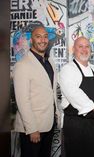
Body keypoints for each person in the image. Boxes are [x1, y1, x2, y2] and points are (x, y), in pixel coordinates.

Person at [59, 36, 94, 157]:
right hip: (75, 126)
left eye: (87, 46)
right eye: (80, 46)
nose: (84, 49)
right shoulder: (67, 70)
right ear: (73, 49)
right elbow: (74, 94)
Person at [13, 25, 59, 157]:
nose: (42, 40)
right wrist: (32, 129)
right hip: (33, 128)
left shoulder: (50, 62)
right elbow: (22, 101)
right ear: (31, 40)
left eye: (45, 36)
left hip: (49, 125)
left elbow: (51, 93)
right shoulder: (22, 65)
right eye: (38, 37)